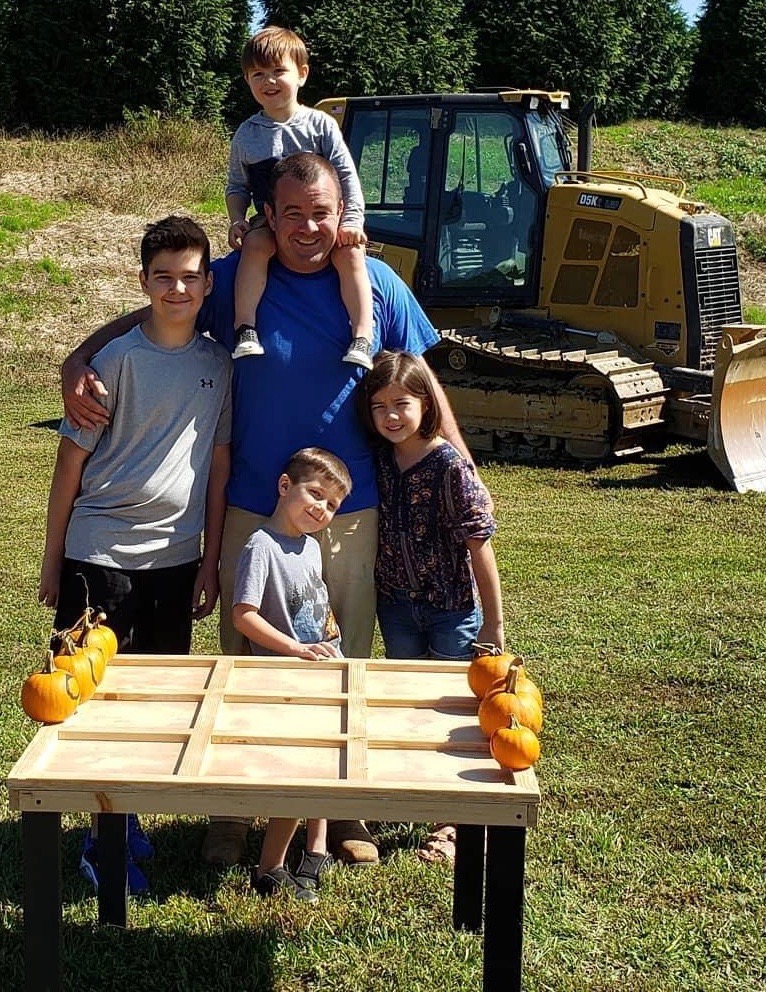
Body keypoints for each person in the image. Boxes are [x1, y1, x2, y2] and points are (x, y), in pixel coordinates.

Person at [61, 152, 481, 869]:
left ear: (338, 212)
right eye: (292, 213)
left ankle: (340, 804)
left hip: (352, 513)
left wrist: (461, 462)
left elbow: (421, 377)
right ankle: (233, 809)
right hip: (252, 507)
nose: (308, 228)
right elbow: (151, 310)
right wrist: (77, 362)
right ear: (268, 217)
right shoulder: (231, 283)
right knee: (246, 661)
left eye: (320, 212)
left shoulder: (375, 282)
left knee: (342, 659)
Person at [40, 215, 232, 892]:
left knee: (153, 699)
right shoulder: (112, 362)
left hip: (177, 562)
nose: (176, 288)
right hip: (101, 556)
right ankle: (100, 841)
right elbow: (70, 465)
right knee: (93, 699)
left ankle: (126, 819)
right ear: (142, 282)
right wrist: (53, 557)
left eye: (189, 277)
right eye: (163, 277)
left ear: (208, 284)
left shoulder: (218, 364)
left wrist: (208, 560)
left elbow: (216, 464)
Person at [360, 350, 503, 864]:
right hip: (396, 606)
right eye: (379, 407)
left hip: (450, 608)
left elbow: (478, 544)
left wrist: (493, 620)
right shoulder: (379, 459)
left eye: (402, 403)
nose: (392, 416)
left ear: (426, 402)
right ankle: (408, 795)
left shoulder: (448, 464)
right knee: (407, 706)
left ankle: (452, 822)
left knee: (454, 713)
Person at [233, 447, 351, 903]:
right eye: (315, 494)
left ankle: (316, 846)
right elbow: (244, 616)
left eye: (331, 505)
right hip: (288, 676)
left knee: (324, 761)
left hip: (322, 669)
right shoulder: (261, 546)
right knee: (300, 769)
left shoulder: (310, 545)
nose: (321, 509)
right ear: (286, 487)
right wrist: (295, 650)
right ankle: (270, 866)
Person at [226, 25, 374, 370]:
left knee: (351, 253)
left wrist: (351, 221)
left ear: (302, 74)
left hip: (322, 221)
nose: (269, 81)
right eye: (258, 74)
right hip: (271, 220)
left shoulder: (320, 125)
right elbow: (237, 187)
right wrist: (237, 220)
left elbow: (346, 177)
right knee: (256, 246)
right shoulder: (247, 134)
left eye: (279, 71)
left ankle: (363, 335)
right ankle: (245, 328)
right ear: (248, 81)